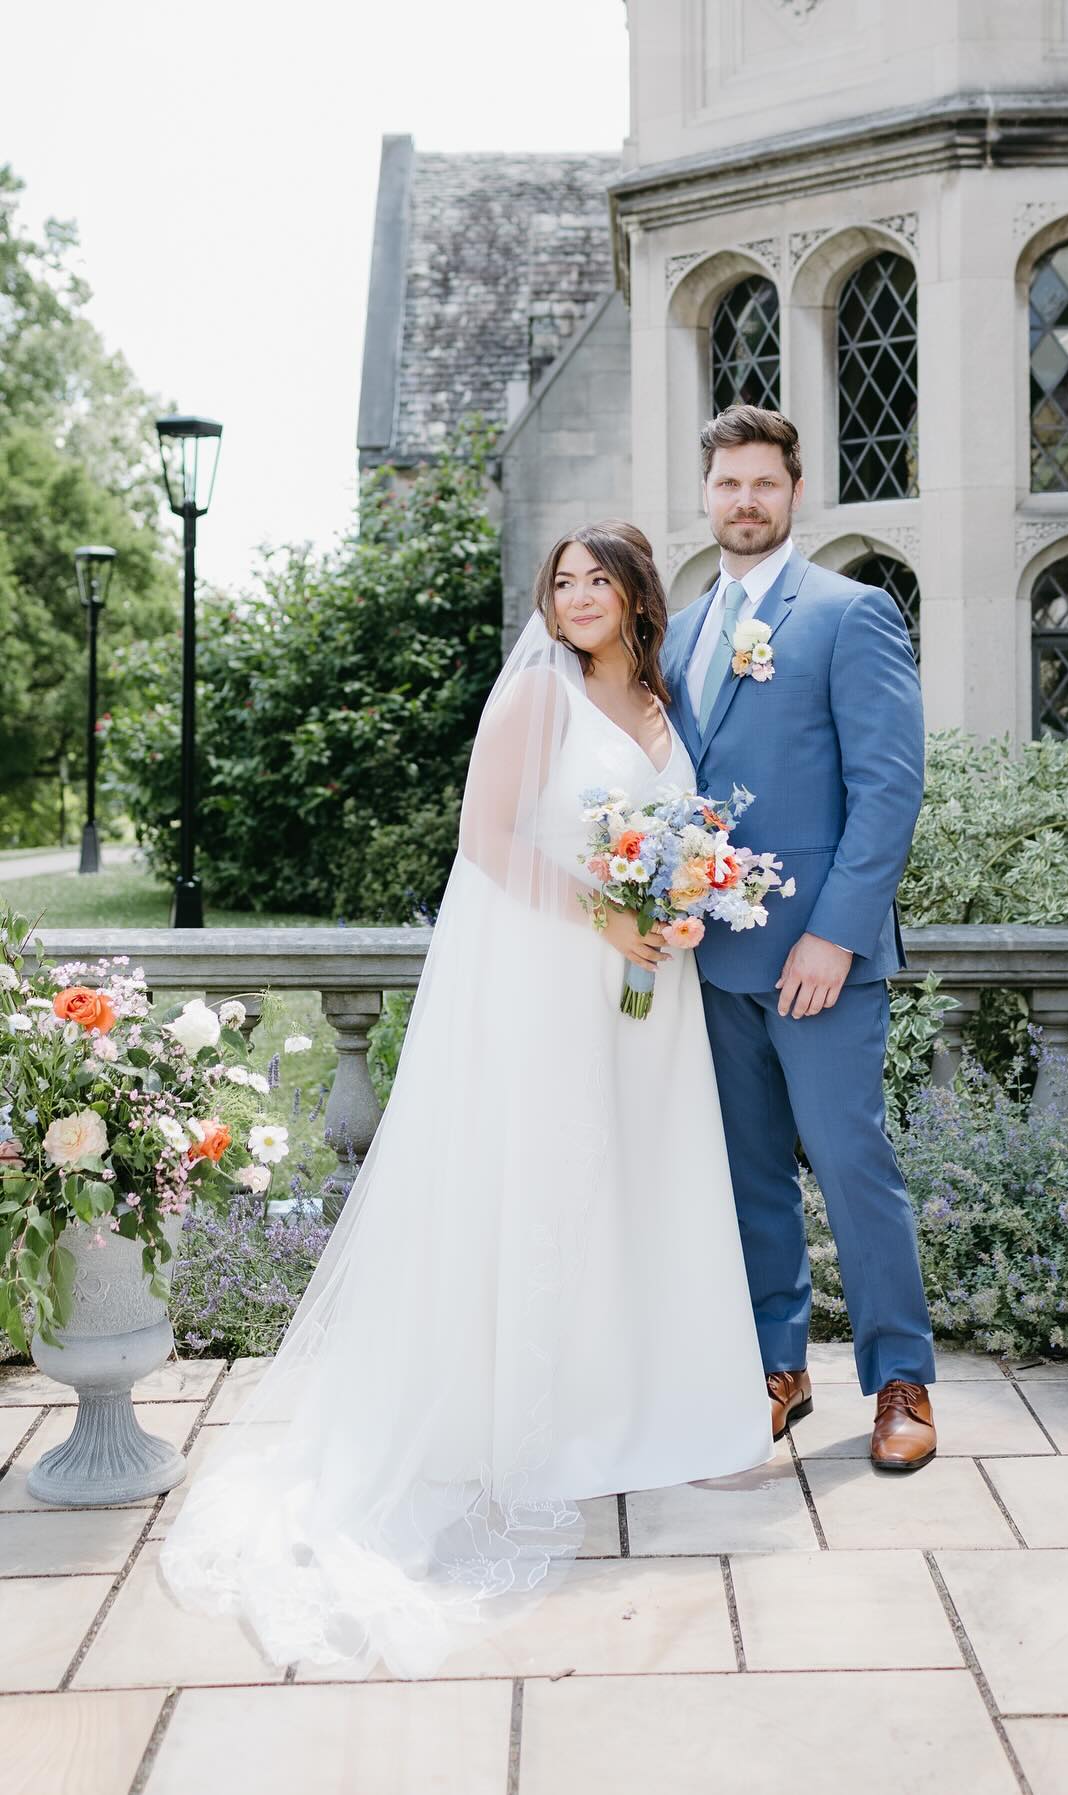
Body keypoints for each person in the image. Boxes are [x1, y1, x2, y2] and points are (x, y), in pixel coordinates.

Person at [159, 521, 773, 1679]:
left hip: (645, 986)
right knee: (550, 1182)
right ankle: (531, 1425)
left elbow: (670, 830)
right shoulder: (538, 697)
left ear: (640, 594)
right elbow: (486, 840)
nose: (579, 595)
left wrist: (686, 897)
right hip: (552, 971)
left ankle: (653, 1411)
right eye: (563, 580)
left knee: (643, 1185)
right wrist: (613, 915)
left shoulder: (658, 699)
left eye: (600, 579)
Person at [660, 403, 938, 1473]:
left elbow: (888, 790)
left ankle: (901, 1382)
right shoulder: (680, 628)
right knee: (746, 1177)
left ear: (794, 492)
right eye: (727, 483)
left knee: (855, 1164)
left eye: (763, 484)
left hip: (820, 962)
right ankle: (778, 1369)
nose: (744, 500)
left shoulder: (849, 612)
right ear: (706, 493)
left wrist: (834, 937)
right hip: (710, 956)